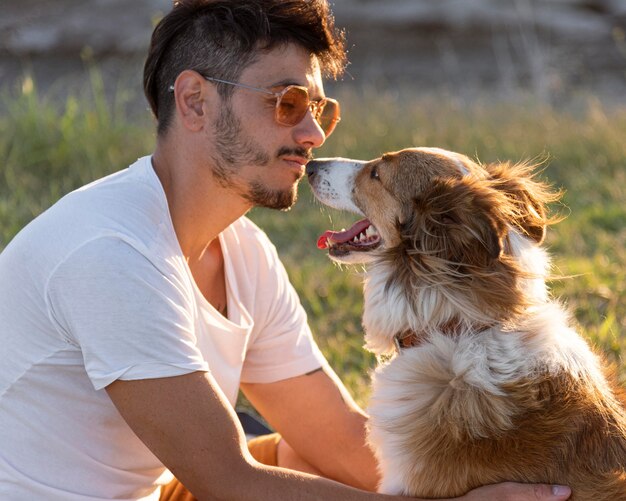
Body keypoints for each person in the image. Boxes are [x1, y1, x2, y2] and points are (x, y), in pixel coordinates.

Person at [0, 1, 572, 500]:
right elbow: (230, 481)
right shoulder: (110, 253)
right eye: (288, 102)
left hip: (163, 488)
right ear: (195, 102)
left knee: (315, 463)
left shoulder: (241, 251)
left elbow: (335, 436)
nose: (315, 135)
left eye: (320, 109)